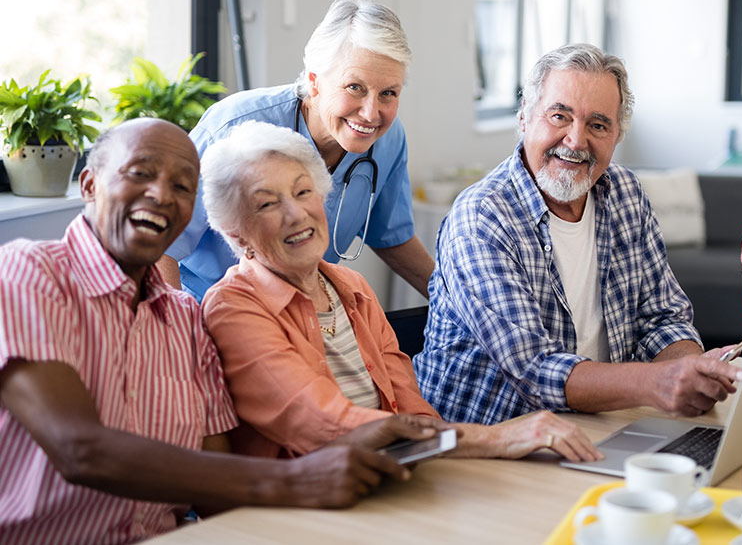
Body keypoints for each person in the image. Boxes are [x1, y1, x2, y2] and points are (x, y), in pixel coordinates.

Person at [0, 119, 448, 544]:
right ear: (88, 185)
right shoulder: (30, 272)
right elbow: (80, 450)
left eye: (182, 186)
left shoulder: (183, 318)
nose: (162, 194)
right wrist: (294, 480)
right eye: (140, 173)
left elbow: (216, 484)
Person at [197, 120, 601, 462]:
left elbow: (412, 408)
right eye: (267, 205)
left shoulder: (351, 287)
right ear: (237, 234)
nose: (295, 213)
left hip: (390, 475)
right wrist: (491, 438)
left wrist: (445, 446)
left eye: (303, 192)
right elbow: (322, 423)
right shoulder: (234, 308)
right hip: (304, 504)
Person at [412, 43, 742, 425]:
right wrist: (658, 382)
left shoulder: (626, 194)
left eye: (597, 125)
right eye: (560, 116)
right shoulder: (481, 219)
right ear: (524, 118)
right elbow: (535, 369)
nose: (575, 140)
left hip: (598, 424)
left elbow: (663, 319)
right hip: (487, 438)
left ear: (617, 135)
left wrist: (693, 371)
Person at [159, 0, 434, 302]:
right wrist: (180, 325)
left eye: (388, 93)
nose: (371, 113)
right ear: (314, 81)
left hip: (301, 310)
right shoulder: (231, 128)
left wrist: (456, 299)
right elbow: (161, 245)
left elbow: (392, 237)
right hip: (208, 308)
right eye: (355, 87)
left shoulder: (388, 140)